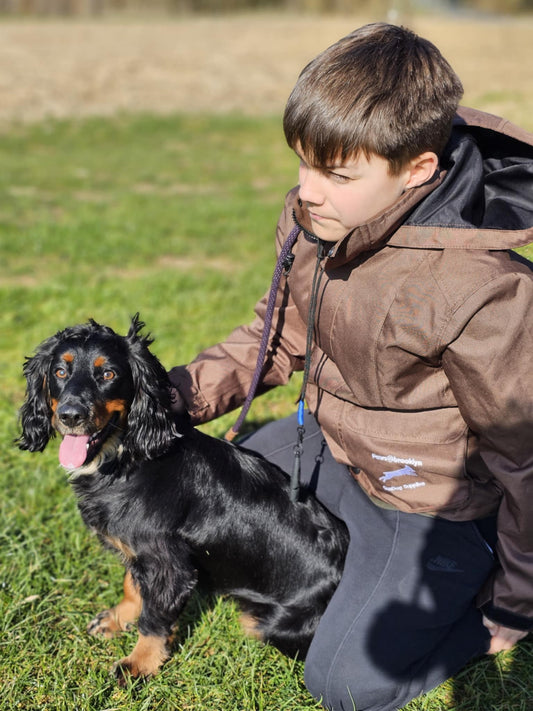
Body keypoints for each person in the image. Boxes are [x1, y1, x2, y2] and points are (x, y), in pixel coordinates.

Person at [167, 23, 533, 711]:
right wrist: (170, 396)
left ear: (416, 170)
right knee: (199, 482)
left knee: (343, 681)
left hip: (429, 506)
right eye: (302, 163)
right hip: (333, 446)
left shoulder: (484, 292)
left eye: (335, 173)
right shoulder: (318, 221)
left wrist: (513, 603)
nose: (307, 191)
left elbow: (525, 461)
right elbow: (275, 339)